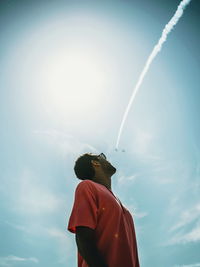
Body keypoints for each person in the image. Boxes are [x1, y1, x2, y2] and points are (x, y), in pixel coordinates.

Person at [67, 152, 140, 267]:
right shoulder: (87, 186)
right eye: (102, 157)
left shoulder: (118, 202)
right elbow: (83, 237)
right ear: (95, 163)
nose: (107, 159)